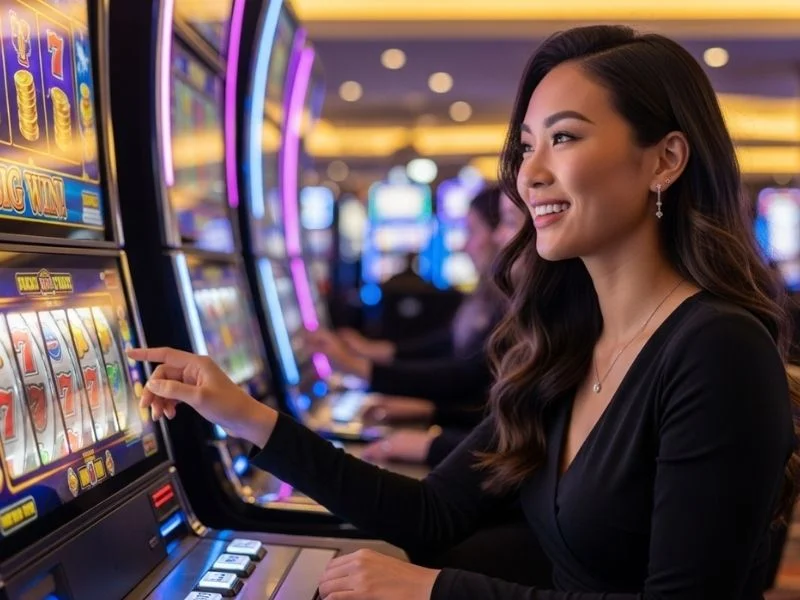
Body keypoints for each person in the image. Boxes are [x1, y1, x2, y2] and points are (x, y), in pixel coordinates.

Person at [131, 24, 799, 599]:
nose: (528, 173)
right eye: (527, 145)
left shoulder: (718, 350)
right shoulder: (575, 341)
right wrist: (242, 415)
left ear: (666, 160)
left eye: (563, 139)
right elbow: (431, 514)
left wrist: (435, 590)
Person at [308, 187, 507, 430]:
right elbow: (450, 347)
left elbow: (468, 376)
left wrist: (359, 366)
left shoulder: (512, 304)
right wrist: (374, 352)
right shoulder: (490, 297)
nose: (464, 245)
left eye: (472, 231)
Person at [361, 191, 529, 466]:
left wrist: (433, 438)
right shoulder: (508, 305)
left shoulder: (531, 315)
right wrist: (431, 413)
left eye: (509, 222)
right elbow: (500, 418)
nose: (499, 238)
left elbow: (470, 378)